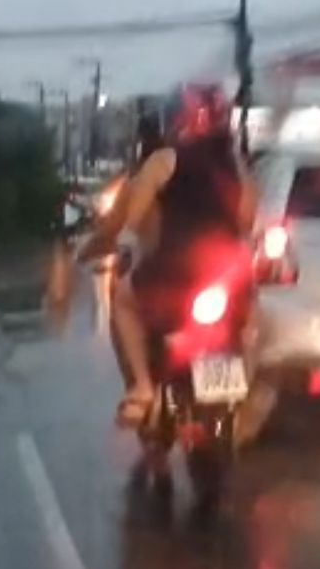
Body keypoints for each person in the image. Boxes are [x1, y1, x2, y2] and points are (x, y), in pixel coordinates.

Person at [78, 84, 258, 426]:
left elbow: (130, 216)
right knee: (250, 321)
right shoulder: (238, 168)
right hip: (228, 273)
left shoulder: (165, 160)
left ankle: (143, 387)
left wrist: (121, 244)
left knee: (124, 302)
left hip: (175, 270)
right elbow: (248, 222)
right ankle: (246, 383)